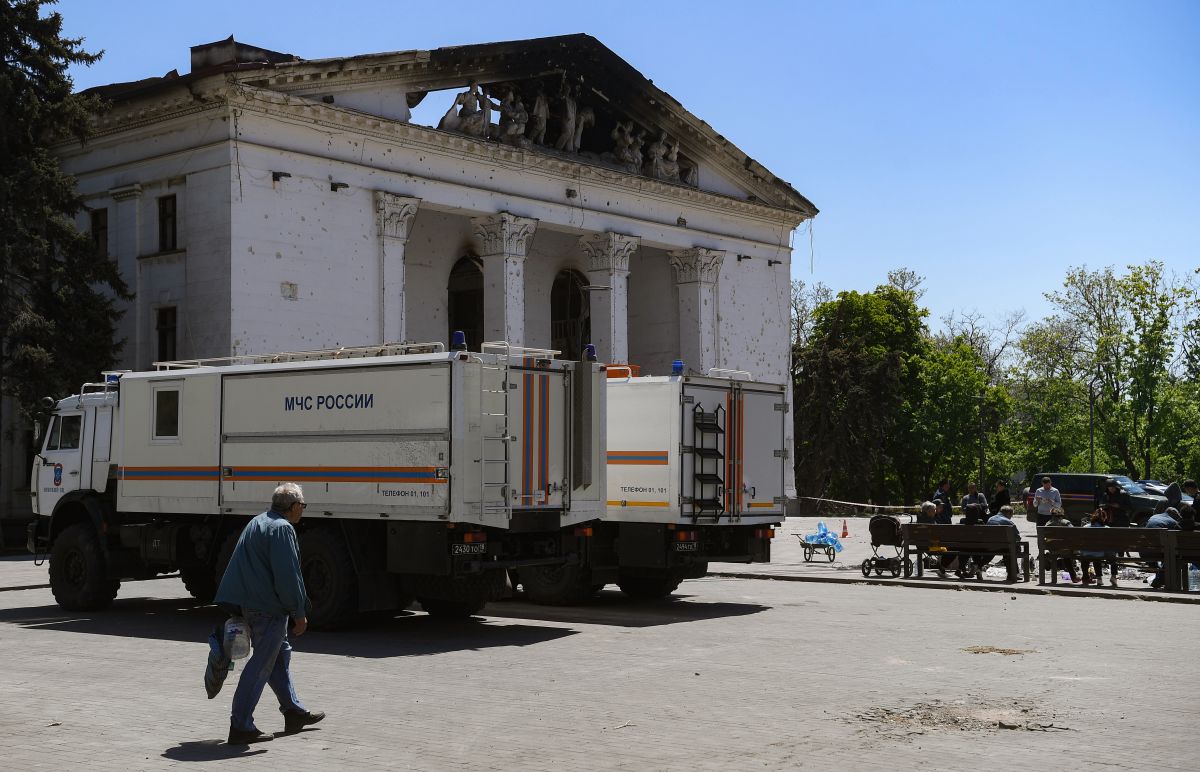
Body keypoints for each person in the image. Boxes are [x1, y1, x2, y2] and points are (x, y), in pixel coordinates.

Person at [215, 483, 324, 745]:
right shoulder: (282, 529)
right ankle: (240, 725)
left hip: (251, 605)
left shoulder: (258, 522)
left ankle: (293, 711)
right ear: (295, 506)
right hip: (269, 609)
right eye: (303, 506)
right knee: (262, 664)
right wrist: (299, 612)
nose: (303, 511)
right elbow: (288, 577)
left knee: (278, 656)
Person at [1143, 506, 1181, 589]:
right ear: (1174, 514)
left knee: (1166, 552)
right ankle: (1161, 580)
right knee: (1174, 556)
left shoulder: (1153, 517)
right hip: (1158, 551)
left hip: (1144, 552)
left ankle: (1159, 580)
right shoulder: (1173, 522)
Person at [1080, 508, 1118, 588]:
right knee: (1112, 555)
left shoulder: (1085, 527)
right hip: (1099, 553)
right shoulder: (1107, 529)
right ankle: (1113, 577)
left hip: (1087, 553)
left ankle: (1099, 578)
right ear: (1104, 518)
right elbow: (1112, 543)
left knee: (1095, 554)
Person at [986, 505, 1022, 581]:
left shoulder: (990, 519)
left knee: (1009, 548)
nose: (1011, 517)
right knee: (1011, 548)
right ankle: (1013, 574)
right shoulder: (1008, 522)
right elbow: (1017, 537)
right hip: (1005, 547)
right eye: (1011, 515)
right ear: (1008, 513)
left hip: (991, 547)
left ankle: (1014, 574)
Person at [1046, 508, 1080, 583]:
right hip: (1065, 550)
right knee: (1066, 553)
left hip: (1053, 550)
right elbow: (1075, 533)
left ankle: (1073, 576)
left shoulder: (1048, 524)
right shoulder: (1066, 523)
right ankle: (1074, 577)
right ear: (1062, 515)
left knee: (1064, 553)